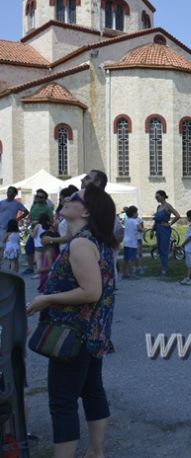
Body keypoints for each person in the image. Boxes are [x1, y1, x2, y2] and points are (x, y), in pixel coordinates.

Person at [26, 184, 118, 458]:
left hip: (72, 335)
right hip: (91, 333)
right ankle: (95, 451)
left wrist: (46, 299)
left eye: (75, 198)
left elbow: (91, 291)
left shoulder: (81, 244)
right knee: (92, 391)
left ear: (86, 210)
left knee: (63, 402)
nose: (67, 199)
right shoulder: (92, 239)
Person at [24, 189, 54, 275]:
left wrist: (38, 222)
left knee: (41, 251)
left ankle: (43, 270)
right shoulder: (34, 205)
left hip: (42, 231)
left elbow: (51, 221)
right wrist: (29, 220)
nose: (38, 198)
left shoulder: (47, 208)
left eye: (40, 197)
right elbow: (31, 215)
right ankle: (30, 268)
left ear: (45, 199)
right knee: (28, 249)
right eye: (37, 196)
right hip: (34, 229)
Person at [152, 190, 181, 276]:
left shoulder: (168, 206)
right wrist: (152, 229)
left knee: (164, 249)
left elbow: (178, 215)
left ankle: (165, 269)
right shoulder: (158, 207)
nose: (156, 198)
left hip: (165, 230)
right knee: (160, 249)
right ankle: (163, 267)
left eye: (157, 197)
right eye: (156, 197)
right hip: (158, 228)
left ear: (163, 196)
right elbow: (156, 220)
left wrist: (170, 223)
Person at [0, 186, 29, 264]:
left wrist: (18, 219)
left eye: (11, 192)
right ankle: (2, 261)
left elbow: (26, 212)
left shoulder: (17, 204)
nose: (9, 193)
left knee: (9, 246)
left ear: (15, 194)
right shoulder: (1, 202)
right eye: (8, 191)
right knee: (1, 245)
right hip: (1, 227)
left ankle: (10, 262)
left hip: (11, 228)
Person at [122, 206, 143, 279]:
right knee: (132, 259)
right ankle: (132, 273)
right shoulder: (135, 221)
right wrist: (143, 229)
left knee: (126, 259)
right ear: (134, 213)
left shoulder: (127, 220)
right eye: (136, 212)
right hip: (132, 243)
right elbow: (140, 229)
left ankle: (125, 273)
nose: (137, 214)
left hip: (126, 242)